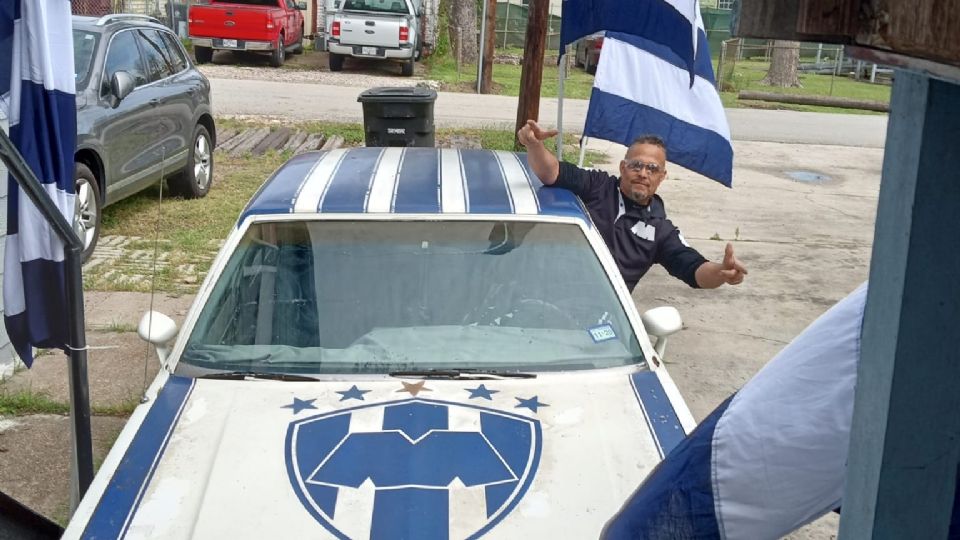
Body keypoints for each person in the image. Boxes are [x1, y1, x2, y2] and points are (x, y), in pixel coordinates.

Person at [516, 119, 747, 291]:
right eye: (636, 165)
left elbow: (693, 269)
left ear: (662, 177)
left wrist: (721, 273)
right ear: (623, 168)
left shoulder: (661, 230)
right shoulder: (597, 186)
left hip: (604, 318)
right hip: (549, 293)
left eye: (652, 169)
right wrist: (534, 145)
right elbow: (552, 172)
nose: (643, 173)